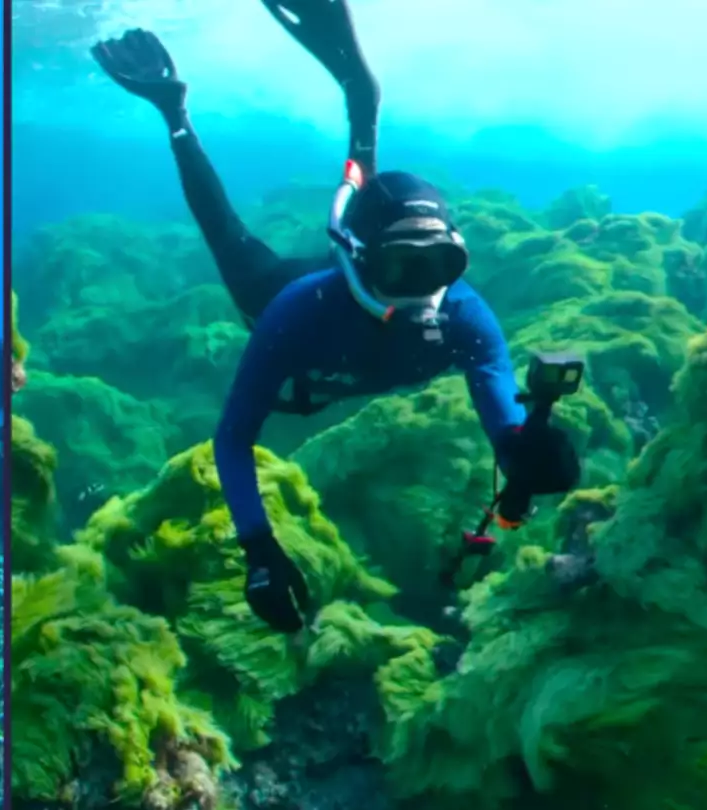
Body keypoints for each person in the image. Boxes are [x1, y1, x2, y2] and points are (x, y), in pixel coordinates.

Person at [91, 7, 581, 634]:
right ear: (357, 261)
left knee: (370, 207)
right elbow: (234, 437)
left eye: (441, 264)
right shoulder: (294, 312)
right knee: (225, 233)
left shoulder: (465, 315)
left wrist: (528, 456)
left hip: (350, 270)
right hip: (288, 292)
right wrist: (260, 549)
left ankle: (360, 94)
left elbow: (505, 425)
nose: (424, 289)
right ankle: (175, 115)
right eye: (403, 268)